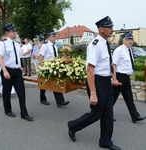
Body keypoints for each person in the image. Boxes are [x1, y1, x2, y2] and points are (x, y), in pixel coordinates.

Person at [67, 16, 121, 150]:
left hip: (106, 82)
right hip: (97, 82)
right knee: (96, 113)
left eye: (111, 27)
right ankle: (73, 126)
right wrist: (93, 93)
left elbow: (109, 65)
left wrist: (113, 78)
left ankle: (105, 141)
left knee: (108, 113)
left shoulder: (106, 43)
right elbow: (90, 71)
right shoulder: (95, 45)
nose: (111, 30)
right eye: (109, 27)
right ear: (101, 29)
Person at [0, 24, 33, 121]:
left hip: (17, 72)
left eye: (15, 31)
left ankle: (24, 113)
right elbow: (0, 57)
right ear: (7, 33)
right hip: (7, 70)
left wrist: (20, 67)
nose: (15, 32)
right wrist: (4, 71)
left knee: (21, 92)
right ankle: (7, 110)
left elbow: (18, 57)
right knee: (7, 92)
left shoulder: (17, 44)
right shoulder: (3, 43)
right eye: (12, 31)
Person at [112, 32, 146, 123]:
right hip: (119, 77)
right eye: (128, 39)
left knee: (129, 98)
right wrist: (114, 78)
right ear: (124, 40)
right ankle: (105, 115)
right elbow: (114, 65)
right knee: (112, 98)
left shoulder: (129, 50)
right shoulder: (119, 50)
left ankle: (135, 116)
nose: (130, 41)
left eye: (131, 39)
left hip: (126, 78)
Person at [38, 30, 70, 107]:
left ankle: (60, 102)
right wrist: (40, 67)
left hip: (54, 67)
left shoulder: (55, 46)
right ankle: (43, 99)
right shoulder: (44, 46)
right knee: (44, 84)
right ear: (49, 37)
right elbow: (41, 57)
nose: (55, 38)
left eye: (55, 36)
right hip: (46, 67)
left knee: (56, 83)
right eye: (53, 36)